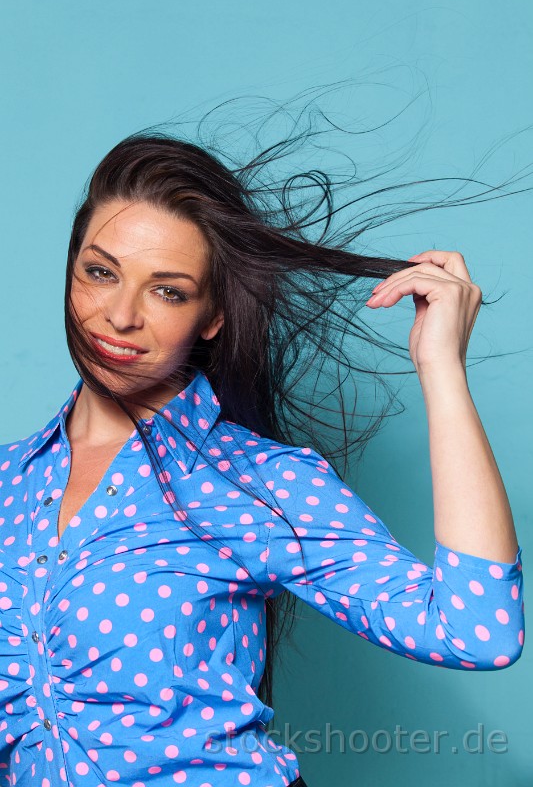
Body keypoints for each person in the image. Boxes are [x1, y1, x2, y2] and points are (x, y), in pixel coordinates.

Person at [0, 130, 524, 787]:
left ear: (213, 314)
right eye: (100, 272)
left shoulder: (257, 485)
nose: (119, 316)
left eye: (167, 290)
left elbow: (480, 632)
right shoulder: (7, 485)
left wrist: (440, 367)